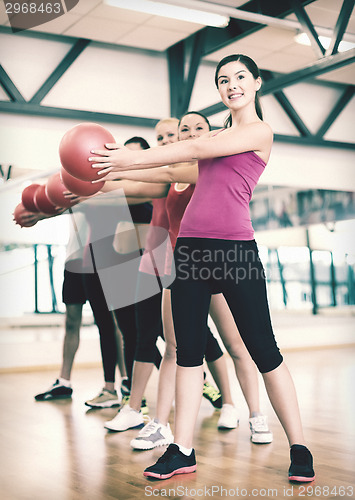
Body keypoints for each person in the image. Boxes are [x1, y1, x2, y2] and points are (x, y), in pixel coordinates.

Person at [89, 54, 315, 483]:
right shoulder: (217, 137)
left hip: (235, 252)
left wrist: (125, 157)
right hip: (190, 252)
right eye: (223, 80)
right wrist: (100, 177)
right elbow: (172, 166)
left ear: (257, 83)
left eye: (240, 78)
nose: (231, 85)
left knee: (264, 351)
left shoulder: (257, 131)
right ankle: (183, 450)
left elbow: (191, 147)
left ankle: (299, 446)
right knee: (187, 354)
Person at [101, 112, 272, 446]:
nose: (187, 135)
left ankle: (251, 412)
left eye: (198, 129)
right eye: (183, 130)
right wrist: (86, 180)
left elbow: (163, 168)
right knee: (174, 348)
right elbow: (137, 185)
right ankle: (161, 423)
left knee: (237, 345)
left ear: (209, 136)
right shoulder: (175, 174)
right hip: (182, 267)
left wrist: (125, 161)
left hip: (217, 260)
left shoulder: (205, 166)